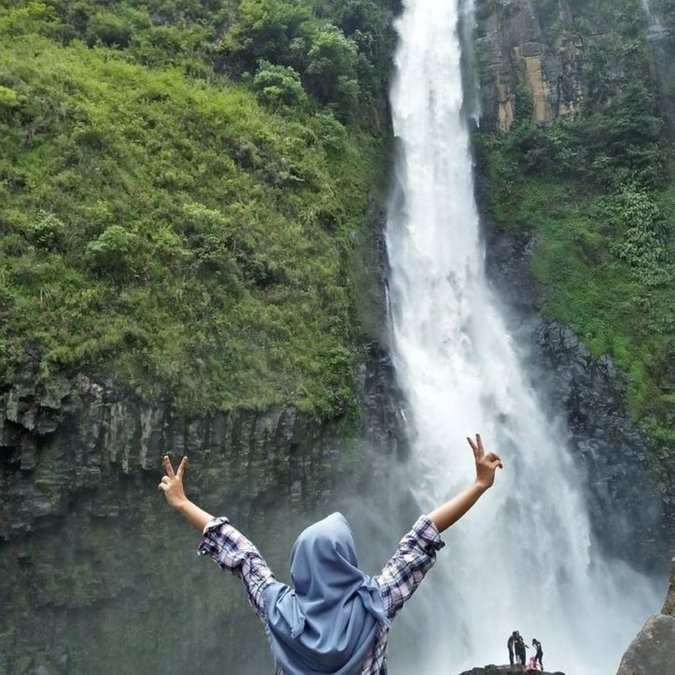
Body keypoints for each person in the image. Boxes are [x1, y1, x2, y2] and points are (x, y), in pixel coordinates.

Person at [158, 433, 503, 674]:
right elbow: (422, 535)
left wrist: (183, 503)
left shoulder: (278, 609)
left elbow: (240, 553)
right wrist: (478, 485)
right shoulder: (376, 602)